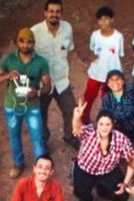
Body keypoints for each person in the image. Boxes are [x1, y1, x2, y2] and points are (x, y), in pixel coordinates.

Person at [0, 28, 51, 178]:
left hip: (33, 106)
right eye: (22, 41)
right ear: (17, 42)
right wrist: (7, 76)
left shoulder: (41, 61)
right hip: (12, 105)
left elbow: (48, 86)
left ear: (34, 44)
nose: (25, 45)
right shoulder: (8, 59)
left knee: (37, 137)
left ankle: (42, 168)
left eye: (29, 42)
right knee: (14, 136)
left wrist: (37, 92)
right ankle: (18, 164)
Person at [31, 0, 81, 150]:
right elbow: (27, 58)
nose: (54, 14)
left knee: (71, 110)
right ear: (45, 13)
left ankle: (70, 136)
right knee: (41, 115)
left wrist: (68, 72)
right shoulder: (35, 32)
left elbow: (70, 51)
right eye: (51, 11)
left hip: (61, 81)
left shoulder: (67, 28)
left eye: (58, 11)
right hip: (42, 84)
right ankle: (44, 140)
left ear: (61, 13)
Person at [71, 100, 134, 201]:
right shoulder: (90, 132)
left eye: (108, 124)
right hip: (85, 170)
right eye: (101, 124)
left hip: (108, 171)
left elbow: (132, 161)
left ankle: (102, 191)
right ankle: (87, 198)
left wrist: (126, 183)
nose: (104, 128)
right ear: (96, 124)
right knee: (81, 195)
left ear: (113, 124)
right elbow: (77, 129)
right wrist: (77, 117)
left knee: (122, 196)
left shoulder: (121, 138)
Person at [82, 6, 124, 124]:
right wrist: (90, 58)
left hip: (111, 76)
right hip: (96, 73)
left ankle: (108, 123)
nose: (103, 22)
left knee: (108, 100)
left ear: (112, 20)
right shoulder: (95, 35)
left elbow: (119, 55)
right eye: (100, 19)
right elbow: (92, 51)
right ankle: (85, 120)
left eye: (106, 19)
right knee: (88, 98)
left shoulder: (118, 36)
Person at [101, 56, 134, 145]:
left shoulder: (130, 90)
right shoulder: (107, 99)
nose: (115, 82)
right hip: (125, 130)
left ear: (123, 81)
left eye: (118, 79)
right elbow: (106, 116)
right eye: (112, 80)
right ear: (108, 84)